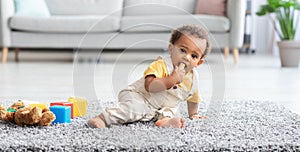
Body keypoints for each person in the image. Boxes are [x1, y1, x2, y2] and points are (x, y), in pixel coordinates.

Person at [88, 25, 210, 128]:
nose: (187, 57)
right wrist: (172, 79)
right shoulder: (161, 65)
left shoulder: (194, 79)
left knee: (170, 111)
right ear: (171, 49)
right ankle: (102, 118)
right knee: (136, 109)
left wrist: (193, 114)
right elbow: (150, 86)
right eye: (183, 50)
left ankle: (164, 121)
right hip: (139, 96)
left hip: (162, 106)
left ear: (199, 62)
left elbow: (193, 99)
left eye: (194, 56)